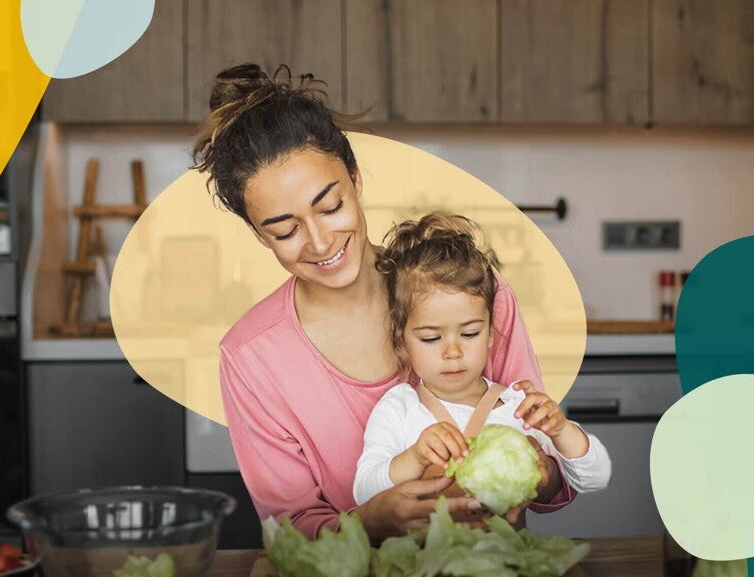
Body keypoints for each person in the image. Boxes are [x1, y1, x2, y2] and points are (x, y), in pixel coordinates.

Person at [192, 63, 574, 541]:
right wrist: (370, 522)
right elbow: (292, 532)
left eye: (330, 207)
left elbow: (552, 474)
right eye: (285, 230)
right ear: (257, 233)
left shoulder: (472, 291)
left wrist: (540, 471)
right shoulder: (251, 358)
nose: (318, 241)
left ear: (355, 178)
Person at [353, 213, 611, 520]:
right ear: (401, 341)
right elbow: (364, 492)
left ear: (491, 335)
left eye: (470, 334)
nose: (453, 351)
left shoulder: (519, 407)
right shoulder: (398, 409)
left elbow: (596, 479)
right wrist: (416, 457)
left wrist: (560, 430)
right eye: (431, 338)